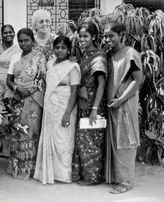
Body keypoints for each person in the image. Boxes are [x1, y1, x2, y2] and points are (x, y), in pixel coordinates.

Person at [34, 35, 81, 184]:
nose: (60, 50)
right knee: (50, 136)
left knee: (64, 140)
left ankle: (63, 174)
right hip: (50, 105)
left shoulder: (73, 67)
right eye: (57, 47)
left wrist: (67, 113)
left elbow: (74, 91)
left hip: (65, 105)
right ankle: (50, 172)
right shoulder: (50, 64)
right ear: (53, 48)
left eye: (63, 48)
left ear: (68, 50)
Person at [104, 21, 143, 194]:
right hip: (113, 105)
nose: (107, 39)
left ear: (122, 36)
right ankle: (117, 178)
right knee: (115, 141)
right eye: (105, 36)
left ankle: (126, 182)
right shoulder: (110, 54)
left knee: (125, 140)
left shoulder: (130, 53)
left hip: (125, 104)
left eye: (111, 36)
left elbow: (137, 80)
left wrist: (121, 99)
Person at [6, 28, 46, 179]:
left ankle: (31, 169)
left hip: (33, 100)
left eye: (26, 40)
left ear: (32, 41)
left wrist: (27, 92)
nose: (23, 43)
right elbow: (8, 80)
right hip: (17, 100)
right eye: (21, 40)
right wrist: (17, 89)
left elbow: (42, 79)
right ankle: (17, 168)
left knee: (31, 132)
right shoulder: (15, 57)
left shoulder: (40, 57)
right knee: (17, 132)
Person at [72, 21, 107, 185]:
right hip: (83, 102)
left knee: (92, 141)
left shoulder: (99, 56)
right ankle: (85, 175)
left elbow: (101, 83)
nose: (82, 39)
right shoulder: (84, 55)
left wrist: (94, 109)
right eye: (80, 36)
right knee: (83, 140)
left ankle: (93, 178)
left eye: (85, 36)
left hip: (94, 103)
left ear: (93, 36)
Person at [0, 24, 21, 89]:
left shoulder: (19, 49)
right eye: (5, 33)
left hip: (13, 82)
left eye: (10, 32)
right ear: (2, 35)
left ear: (14, 33)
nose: (8, 34)